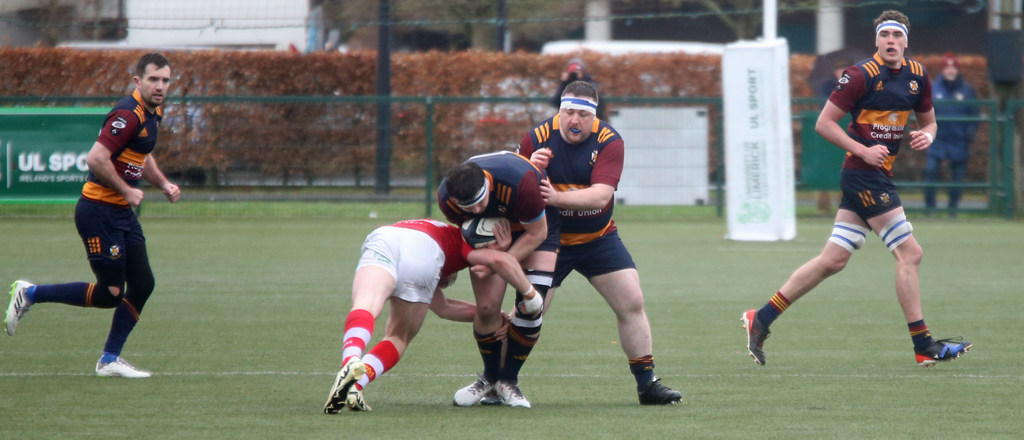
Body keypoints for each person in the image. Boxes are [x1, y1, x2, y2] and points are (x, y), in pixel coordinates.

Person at [741, 10, 971, 368]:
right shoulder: (859, 75)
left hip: (875, 176)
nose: (891, 40)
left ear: (906, 42)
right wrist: (863, 149)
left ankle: (763, 317)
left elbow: (930, 123)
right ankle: (923, 344)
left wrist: (926, 136)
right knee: (910, 253)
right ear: (877, 41)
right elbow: (823, 124)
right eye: (885, 35)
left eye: (897, 35)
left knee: (833, 260)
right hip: (864, 176)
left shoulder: (918, 76)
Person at [5, 53, 181, 378]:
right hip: (98, 212)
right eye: (153, 79)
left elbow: (143, 154)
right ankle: (30, 293)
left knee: (142, 283)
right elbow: (96, 158)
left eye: (165, 80)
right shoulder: (128, 114)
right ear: (137, 81)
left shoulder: (152, 113)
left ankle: (109, 359)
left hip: (120, 213)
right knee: (110, 294)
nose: (160, 86)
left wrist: (163, 183)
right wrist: (128, 191)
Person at [518, 80, 682, 405]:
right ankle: (498, 379)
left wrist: (554, 196)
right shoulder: (536, 139)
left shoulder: (609, 141)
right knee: (529, 311)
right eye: (568, 113)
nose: (574, 121)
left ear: (593, 117)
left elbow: (602, 194)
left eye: (581, 114)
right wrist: (528, 169)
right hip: (549, 241)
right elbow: (515, 190)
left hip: (598, 238)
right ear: (559, 112)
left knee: (632, 301)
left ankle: (647, 385)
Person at [322, 218, 541, 413]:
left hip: (386, 236)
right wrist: (528, 296)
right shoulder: (463, 245)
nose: (441, 284)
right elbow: (497, 264)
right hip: (424, 253)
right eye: (444, 281)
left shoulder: (433, 227)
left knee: (366, 305)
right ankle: (358, 382)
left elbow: (443, 306)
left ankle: (350, 363)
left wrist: (496, 315)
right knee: (398, 337)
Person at [438, 151, 559, 408]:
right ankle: (489, 379)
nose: (477, 210)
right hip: (492, 235)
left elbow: (538, 233)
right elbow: (467, 236)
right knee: (486, 307)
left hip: (536, 226)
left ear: (487, 183)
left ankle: (509, 381)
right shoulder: (447, 199)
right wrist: (496, 254)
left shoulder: (521, 184)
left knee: (530, 307)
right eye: (468, 208)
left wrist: (498, 264)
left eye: (481, 203)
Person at [924, 53, 978, 217]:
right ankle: (929, 209)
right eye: (947, 68)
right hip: (937, 140)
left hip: (959, 141)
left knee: (957, 177)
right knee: (931, 171)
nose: (950, 71)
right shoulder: (933, 88)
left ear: (957, 70)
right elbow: (924, 111)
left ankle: (952, 209)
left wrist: (969, 134)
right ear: (942, 70)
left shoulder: (967, 90)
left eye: (953, 68)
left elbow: (974, 114)